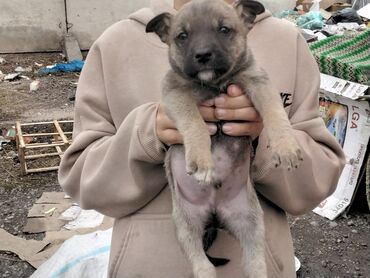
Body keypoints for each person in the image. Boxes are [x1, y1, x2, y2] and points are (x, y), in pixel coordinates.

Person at [58, 0, 346, 277]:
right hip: (149, 268)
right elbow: (80, 179)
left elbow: (320, 181)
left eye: (224, 32)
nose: (204, 48)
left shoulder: (286, 41)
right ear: (166, 35)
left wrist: (264, 139)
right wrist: (147, 135)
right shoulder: (115, 44)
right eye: (182, 37)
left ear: (243, 22)